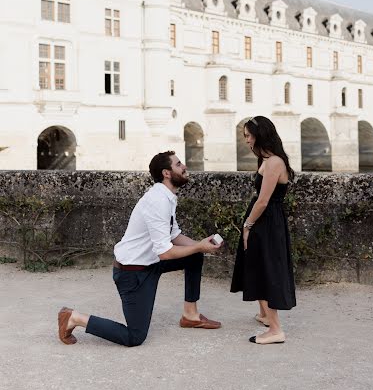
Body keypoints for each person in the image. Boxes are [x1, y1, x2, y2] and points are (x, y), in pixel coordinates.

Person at [58, 151, 223, 347]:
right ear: (167, 173)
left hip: (151, 263)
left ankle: (190, 315)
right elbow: (166, 252)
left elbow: (173, 235)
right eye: (179, 164)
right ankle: (74, 318)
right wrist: (199, 246)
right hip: (132, 273)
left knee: (194, 256)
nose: (184, 166)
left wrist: (201, 244)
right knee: (134, 337)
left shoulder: (167, 196)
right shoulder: (158, 200)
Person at [230, 116, 296, 345]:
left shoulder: (274, 162)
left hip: (266, 221)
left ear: (260, 135)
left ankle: (276, 329)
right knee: (257, 264)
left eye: (248, 135)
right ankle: (266, 315)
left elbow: (263, 201)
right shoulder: (267, 160)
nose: (246, 140)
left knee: (267, 270)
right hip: (265, 220)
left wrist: (247, 226)